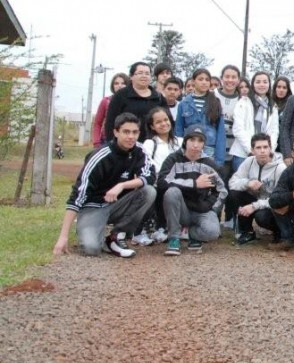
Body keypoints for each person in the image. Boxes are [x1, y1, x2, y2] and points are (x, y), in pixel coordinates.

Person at [53, 112, 156, 258]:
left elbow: (149, 176)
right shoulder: (100, 156)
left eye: (135, 132)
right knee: (92, 249)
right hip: (93, 207)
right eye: (126, 132)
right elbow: (77, 195)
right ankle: (88, 228)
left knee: (148, 191)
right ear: (116, 132)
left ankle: (115, 236)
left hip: (117, 203)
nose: (131, 137)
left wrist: (122, 185)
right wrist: (63, 237)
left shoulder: (140, 150)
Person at [158, 124, 227, 255]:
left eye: (200, 141)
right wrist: (194, 184)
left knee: (213, 232)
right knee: (172, 192)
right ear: (185, 141)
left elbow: (222, 190)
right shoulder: (173, 159)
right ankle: (174, 238)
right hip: (180, 209)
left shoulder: (210, 164)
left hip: (201, 210)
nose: (196, 145)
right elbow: (162, 182)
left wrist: (211, 207)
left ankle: (189, 234)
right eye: (192, 140)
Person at [226, 133, 286, 245]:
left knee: (261, 217)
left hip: (272, 204)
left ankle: (279, 231)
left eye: (265, 147)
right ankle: (247, 232)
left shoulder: (280, 168)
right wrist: (247, 183)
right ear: (252, 150)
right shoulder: (249, 162)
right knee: (234, 195)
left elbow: (280, 198)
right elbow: (232, 183)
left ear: (270, 149)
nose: (262, 151)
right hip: (255, 199)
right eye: (258, 148)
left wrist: (254, 206)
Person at [139, 107, 182, 245]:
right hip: (157, 182)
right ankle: (141, 231)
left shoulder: (179, 142)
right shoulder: (150, 143)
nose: (163, 124)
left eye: (166, 120)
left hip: (177, 182)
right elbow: (148, 165)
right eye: (158, 122)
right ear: (152, 126)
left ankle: (163, 228)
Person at [104, 62, 167, 142]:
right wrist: (113, 144)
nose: (144, 76)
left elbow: (167, 120)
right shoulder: (120, 95)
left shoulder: (158, 97)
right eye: (140, 73)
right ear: (131, 76)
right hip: (126, 143)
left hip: (153, 144)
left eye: (147, 73)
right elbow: (110, 123)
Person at [174, 69, 226, 166]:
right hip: (190, 147)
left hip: (209, 148)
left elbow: (221, 131)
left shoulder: (215, 102)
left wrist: (219, 159)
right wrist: (179, 151)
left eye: (207, 80)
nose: (204, 82)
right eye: (200, 79)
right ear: (193, 82)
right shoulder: (184, 103)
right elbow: (179, 130)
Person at [230, 71, 280, 168]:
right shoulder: (244, 102)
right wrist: (251, 150)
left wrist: (270, 150)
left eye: (265, 82)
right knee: (243, 183)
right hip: (243, 155)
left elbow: (274, 131)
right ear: (253, 84)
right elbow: (238, 129)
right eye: (258, 82)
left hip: (264, 155)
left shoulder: (273, 106)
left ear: (269, 85)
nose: (262, 84)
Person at [215, 65, 242, 174]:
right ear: (221, 79)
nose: (230, 80)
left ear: (238, 80)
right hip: (216, 154)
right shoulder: (212, 96)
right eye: (227, 77)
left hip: (236, 153)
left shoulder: (243, 100)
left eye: (233, 77)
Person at [92, 72, 128, 148]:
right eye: (116, 83)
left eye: (123, 83)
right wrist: (96, 142)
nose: (119, 86)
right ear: (113, 86)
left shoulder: (132, 102)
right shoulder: (106, 101)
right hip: (106, 140)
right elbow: (97, 123)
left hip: (127, 140)